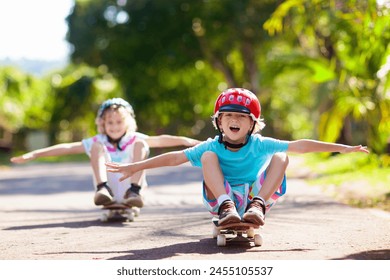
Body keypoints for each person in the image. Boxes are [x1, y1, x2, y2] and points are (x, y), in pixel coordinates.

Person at [106, 88, 369, 227]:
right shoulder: (212, 145)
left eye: (242, 116)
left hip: (257, 195)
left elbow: (299, 145)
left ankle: (258, 206)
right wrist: (135, 166)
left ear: (253, 124)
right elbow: (174, 158)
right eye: (228, 116)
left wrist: (341, 148)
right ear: (219, 122)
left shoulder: (260, 143)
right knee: (207, 156)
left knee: (281, 155)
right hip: (222, 197)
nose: (234, 120)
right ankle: (226, 207)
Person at [10, 97, 201, 208]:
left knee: (141, 144)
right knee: (95, 146)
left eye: (119, 122)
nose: (114, 127)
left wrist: (187, 141)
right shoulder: (99, 140)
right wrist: (34, 154)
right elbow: (68, 147)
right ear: (103, 123)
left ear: (127, 123)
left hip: (132, 191)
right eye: (110, 122)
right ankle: (102, 188)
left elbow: (161, 140)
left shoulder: (133, 138)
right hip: (107, 190)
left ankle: (134, 191)